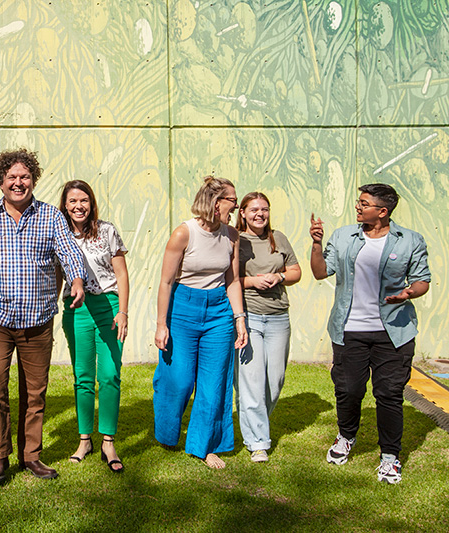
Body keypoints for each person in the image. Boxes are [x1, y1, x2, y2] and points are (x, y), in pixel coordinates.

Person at [0, 148, 86, 484]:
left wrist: (76, 279)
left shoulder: (51, 216)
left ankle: (31, 456)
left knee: (35, 392)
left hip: (38, 321)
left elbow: (69, 251)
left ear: (33, 180)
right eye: (12, 177)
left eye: (25, 177)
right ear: (1, 181)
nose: (18, 183)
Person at [310, 183, 430, 484]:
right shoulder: (343, 236)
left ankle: (390, 457)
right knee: (348, 389)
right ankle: (346, 436)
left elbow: (422, 281)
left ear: (382, 211)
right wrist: (316, 244)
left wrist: (408, 294)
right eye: (358, 202)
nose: (358, 207)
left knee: (388, 394)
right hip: (350, 329)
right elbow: (321, 272)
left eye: (363, 203)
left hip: (394, 332)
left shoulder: (410, 241)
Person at [153, 176, 248, 469]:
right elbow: (167, 282)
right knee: (178, 379)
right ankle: (167, 432)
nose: (236, 205)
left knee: (214, 381)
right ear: (216, 202)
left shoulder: (232, 235)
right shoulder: (184, 233)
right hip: (183, 307)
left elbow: (231, 280)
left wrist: (240, 318)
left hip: (219, 310)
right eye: (233, 200)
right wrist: (161, 324)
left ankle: (205, 445)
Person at [58, 180, 129, 473]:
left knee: (110, 375)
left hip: (109, 306)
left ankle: (108, 441)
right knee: (83, 376)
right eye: (73, 201)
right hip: (76, 309)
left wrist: (123, 311)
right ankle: (84, 439)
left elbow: (122, 274)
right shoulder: (58, 234)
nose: (79, 206)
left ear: (92, 202)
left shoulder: (107, 230)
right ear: (64, 205)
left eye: (84, 200)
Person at [235, 192, 301, 463]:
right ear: (243, 213)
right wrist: (251, 283)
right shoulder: (235, 240)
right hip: (248, 317)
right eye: (253, 210)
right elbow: (224, 279)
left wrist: (280, 276)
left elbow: (296, 271)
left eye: (264, 209)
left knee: (275, 381)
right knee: (251, 381)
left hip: (278, 319)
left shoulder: (279, 238)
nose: (260, 214)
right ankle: (257, 442)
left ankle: (253, 417)